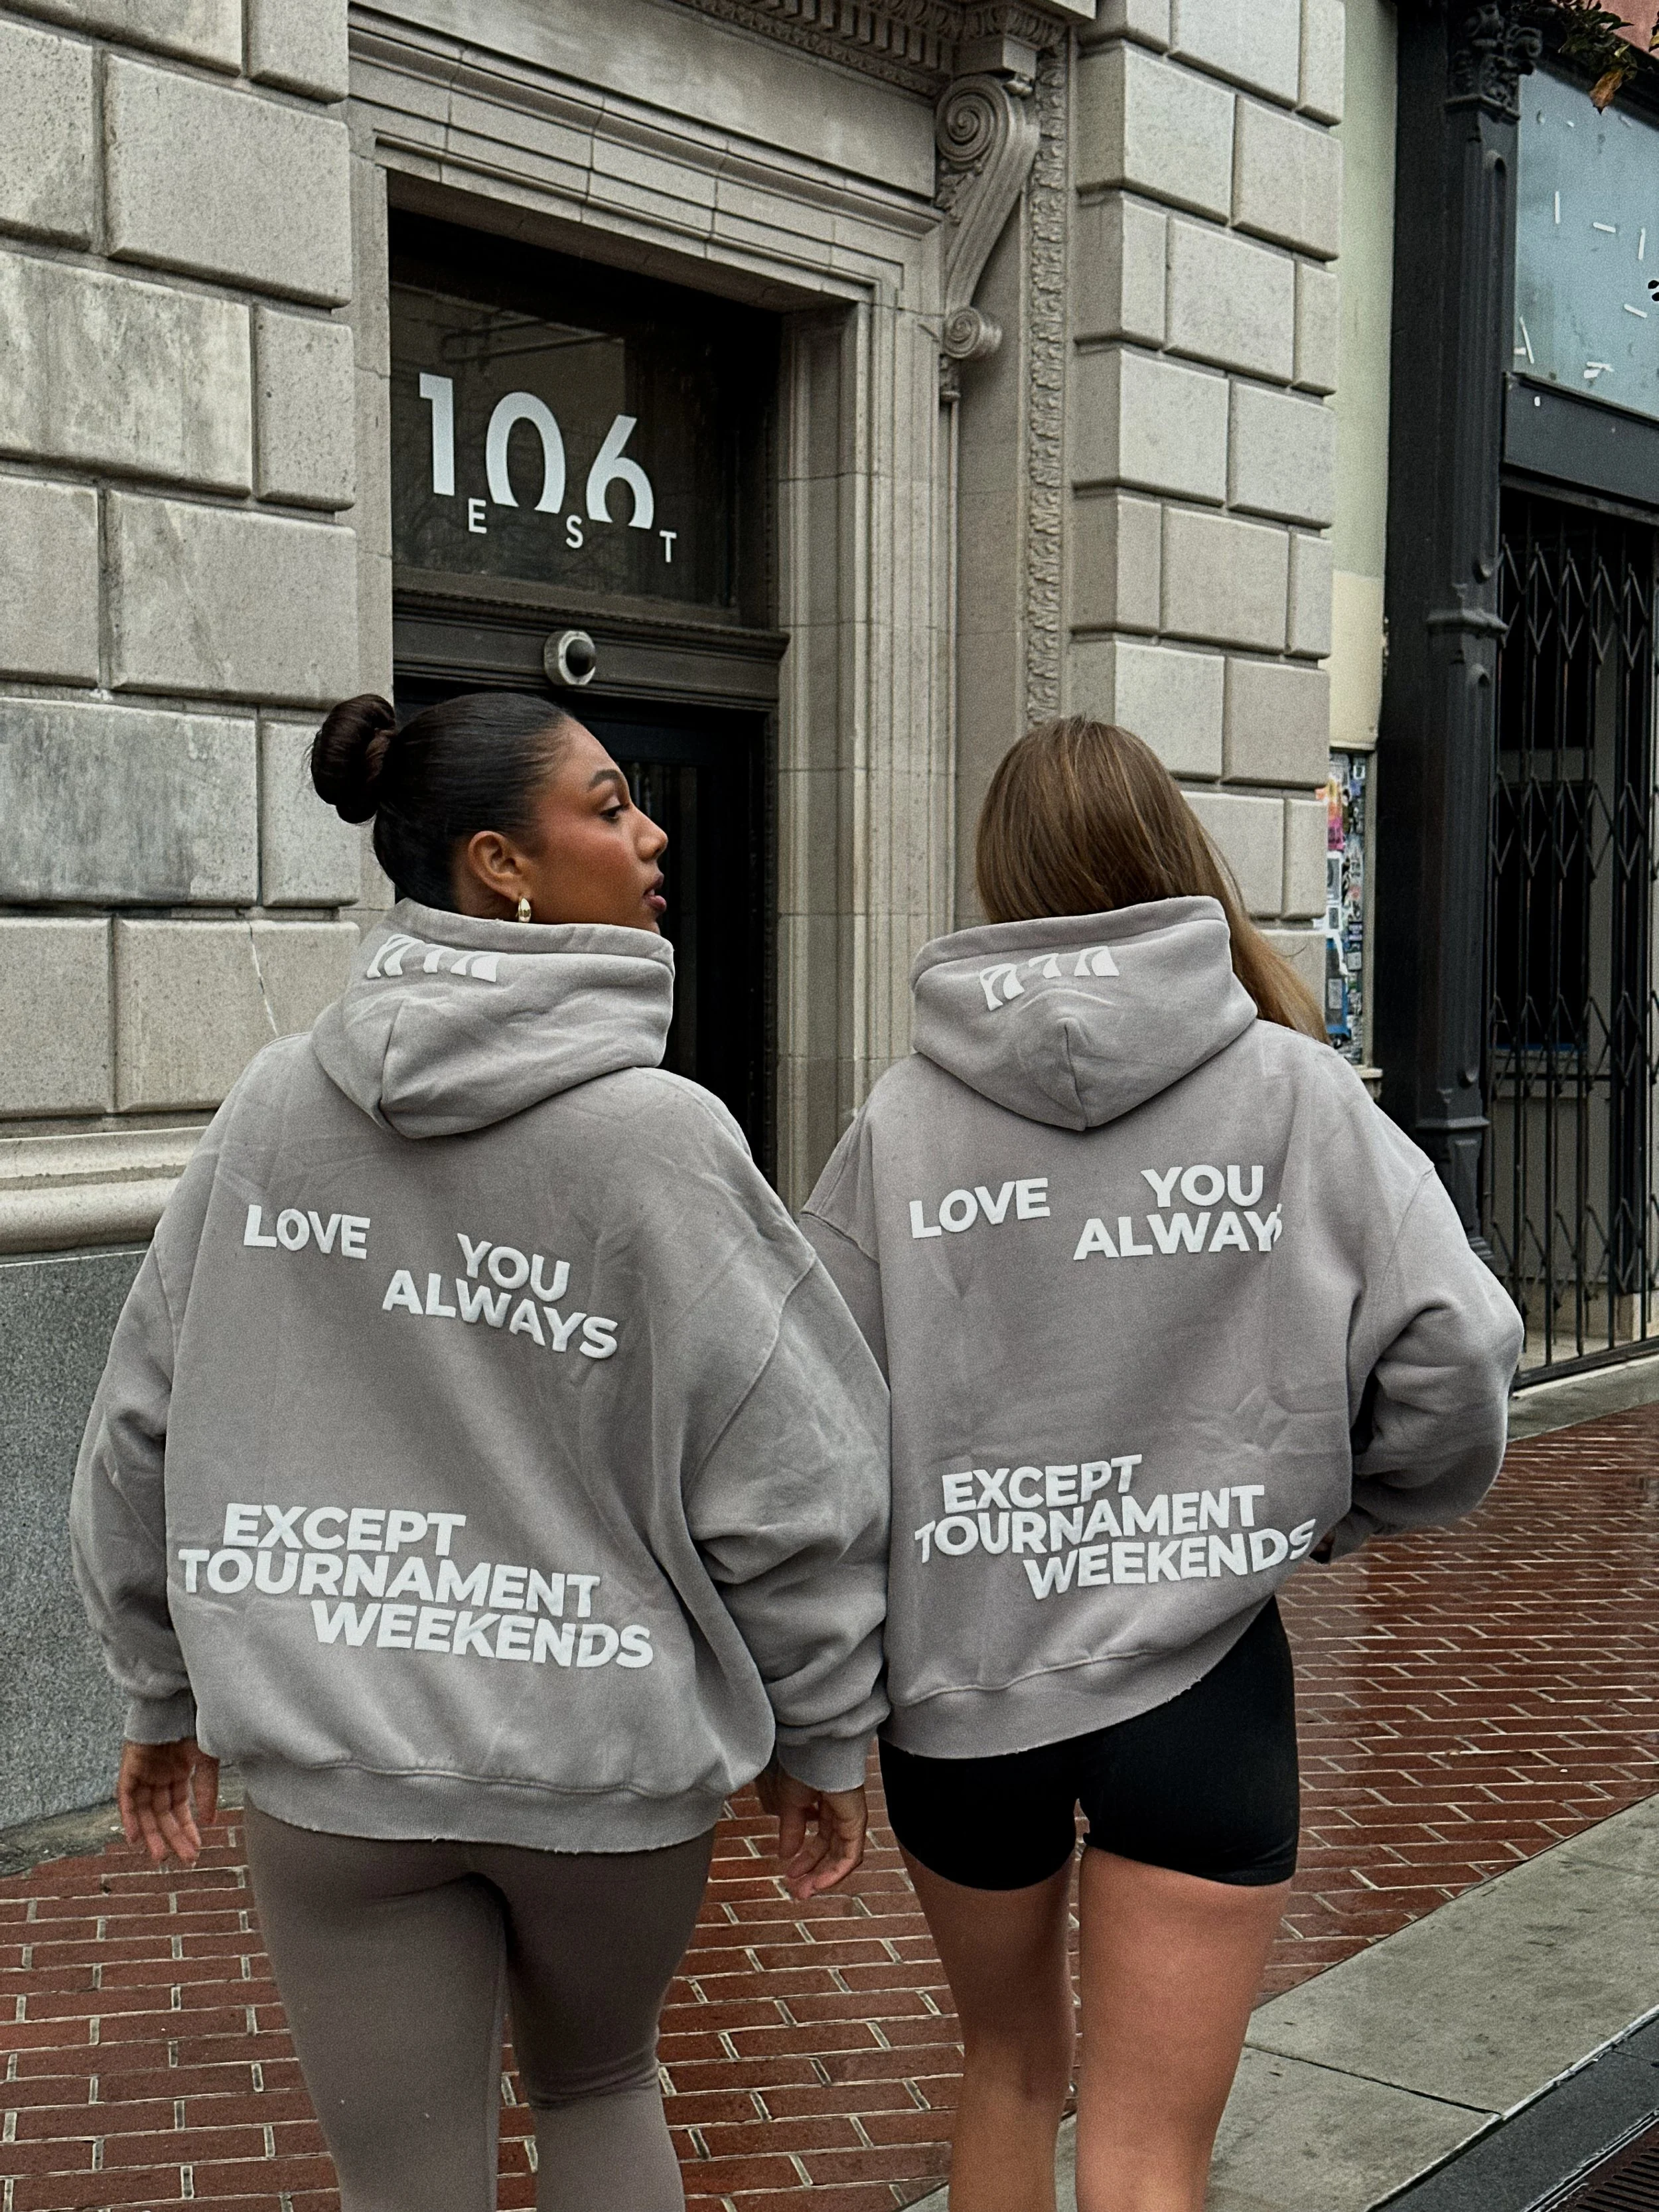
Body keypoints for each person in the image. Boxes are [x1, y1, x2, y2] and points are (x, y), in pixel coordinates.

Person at [71, 690, 890, 2212]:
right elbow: (789, 1473)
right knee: (598, 2086)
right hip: (602, 1759)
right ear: (501, 863)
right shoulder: (663, 1138)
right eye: (606, 804)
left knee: (405, 2187)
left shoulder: (269, 1113)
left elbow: (140, 1426)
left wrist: (157, 1681)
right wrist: (822, 1726)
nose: (650, 833)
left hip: (343, 1759)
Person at [800, 718, 1524, 2212]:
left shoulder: (898, 1121)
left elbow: (811, 1421)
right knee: (1146, 2157)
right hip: (1200, 1679)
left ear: (1000, 877)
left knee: (1005, 2071)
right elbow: (1456, 1351)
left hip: (961, 1685)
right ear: (1175, 859)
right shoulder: (1293, 1092)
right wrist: (1345, 1501)